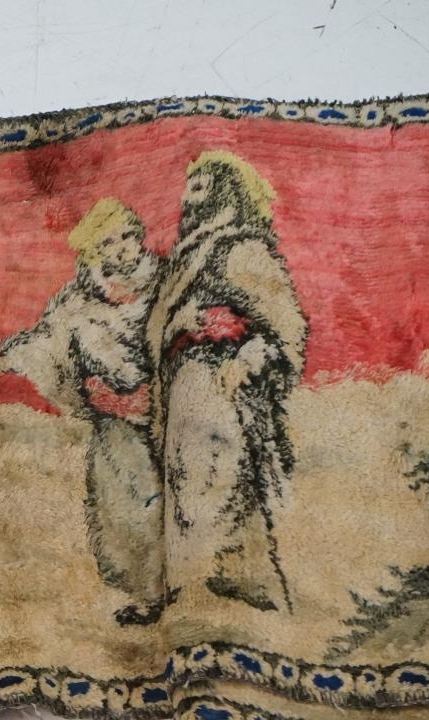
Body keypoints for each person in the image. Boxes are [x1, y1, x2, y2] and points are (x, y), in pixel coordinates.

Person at [0, 198, 166, 625]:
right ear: (93, 250)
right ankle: (147, 596)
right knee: (126, 509)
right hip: (117, 423)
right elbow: (47, 340)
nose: (123, 248)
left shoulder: (166, 283)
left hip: (169, 412)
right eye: (109, 242)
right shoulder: (76, 302)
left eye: (128, 237)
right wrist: (5, 358)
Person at [145, 150, 308, 613]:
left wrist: (251, 354)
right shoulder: (183, 259)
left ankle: (240, 582)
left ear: (225, 193)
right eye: (188, 189)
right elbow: (159, 331)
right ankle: (190, 584)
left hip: (227, 381)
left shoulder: (244, 247)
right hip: (185, 385)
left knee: (226, 477)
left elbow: (284, 322)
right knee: (186, 482)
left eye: (201, 188)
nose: (190, 199)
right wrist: (180, 323)